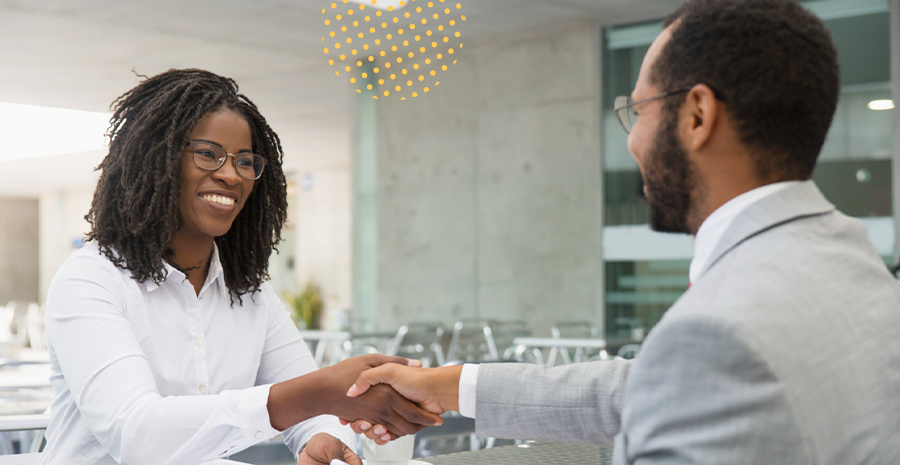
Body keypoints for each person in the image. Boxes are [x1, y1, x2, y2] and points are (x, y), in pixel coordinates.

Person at [341, 0, 900, 463]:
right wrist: (443, 385)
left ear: (697, 116)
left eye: (638, 112)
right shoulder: (860, 271)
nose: (631, 141)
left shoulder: (719, 332)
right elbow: (639, 391)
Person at [41, 69, 440, 465]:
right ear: (154, 159)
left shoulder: (250, 295)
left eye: (245, 161)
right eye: (208, 154)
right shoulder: (90, 280)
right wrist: (316, 392)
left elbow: (309, 405)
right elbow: (136, 434)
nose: (231, 175)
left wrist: (321, 435)